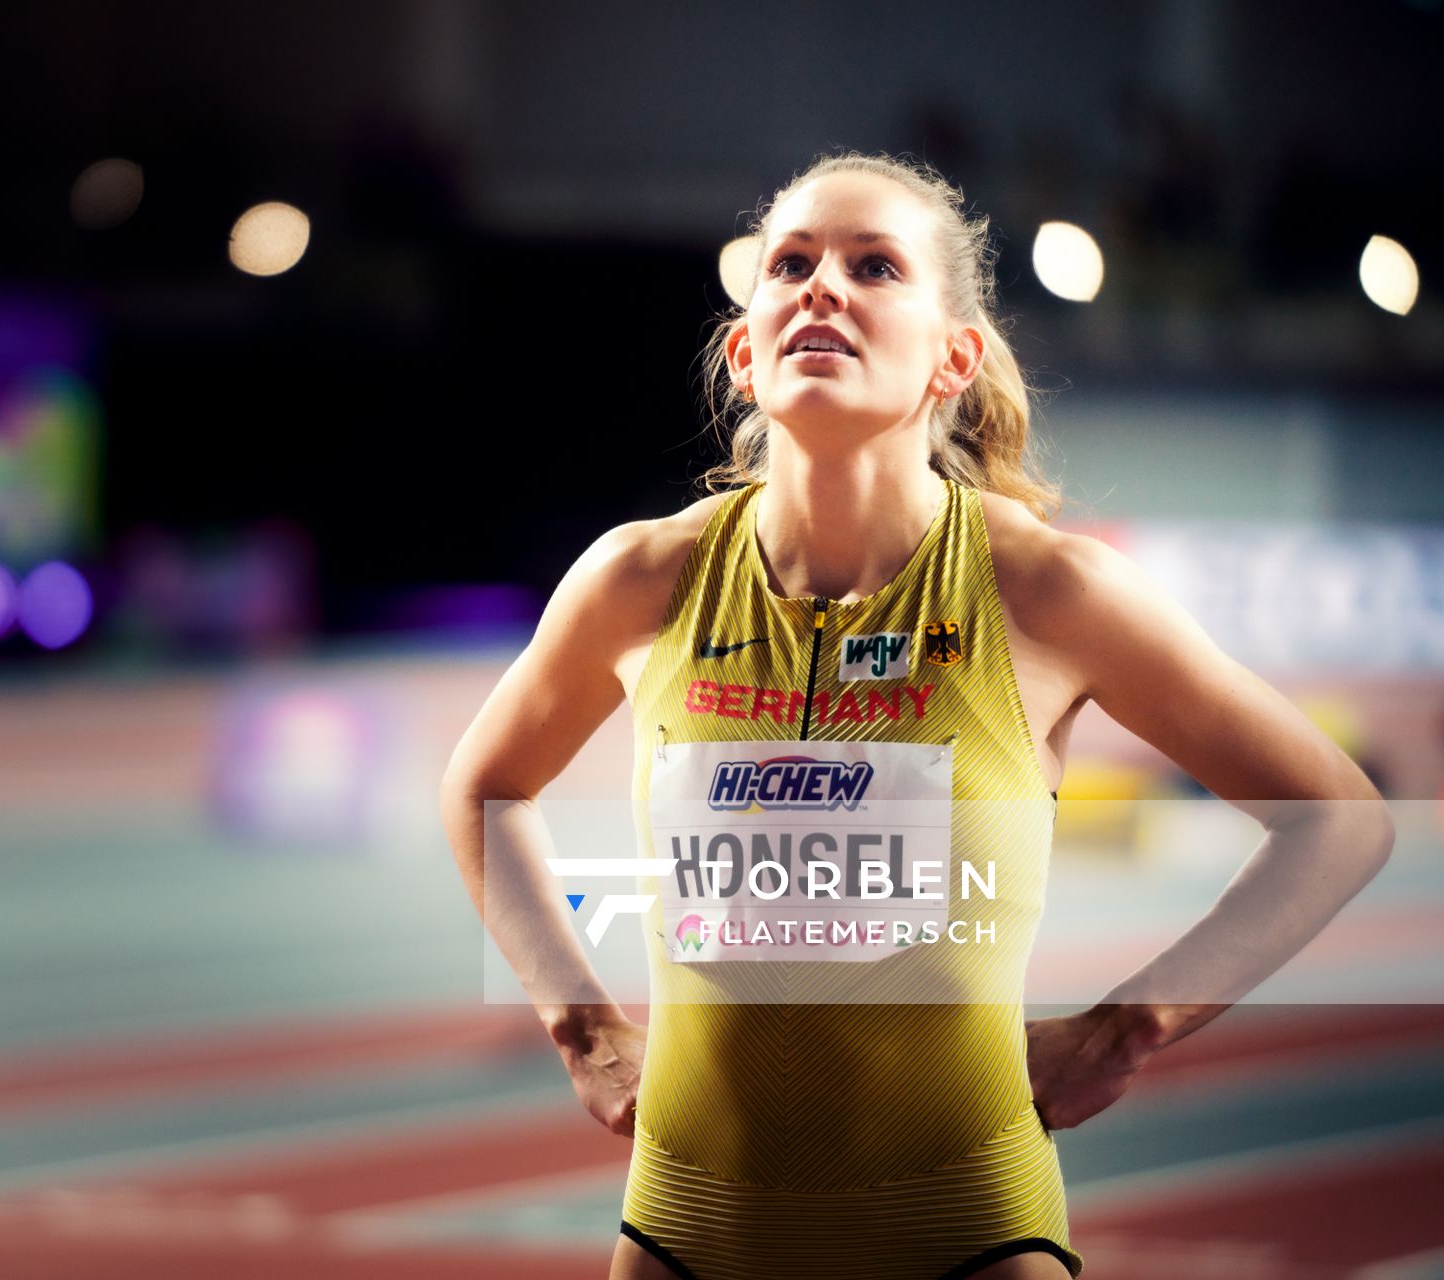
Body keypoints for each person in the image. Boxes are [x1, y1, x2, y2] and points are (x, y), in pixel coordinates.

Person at [439, 151, 1393, 1280]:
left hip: (963, 1231)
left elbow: (1338, 816)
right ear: (745, 352)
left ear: (956, 357)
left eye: (874, 265)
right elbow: (484, 786)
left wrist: (1128, 1024)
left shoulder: (1044, 591)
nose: (821, 287)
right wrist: (582, 1025)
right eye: (790, 264)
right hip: (688, 1231)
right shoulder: (639, 580)